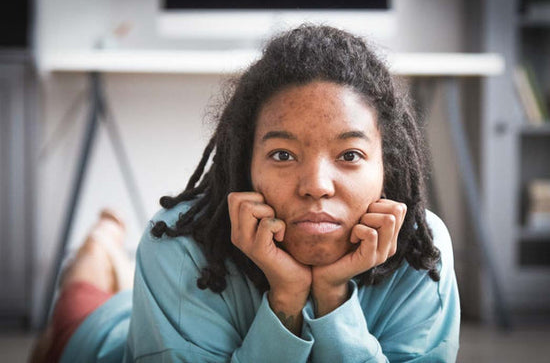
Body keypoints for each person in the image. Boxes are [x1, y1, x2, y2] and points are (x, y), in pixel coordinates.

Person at [30, 24, 460, 362]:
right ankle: (102, 241)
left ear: (389, 165)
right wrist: (287, 300)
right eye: (283, 154)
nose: (315, 185)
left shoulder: (422, 250)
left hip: (171, 314)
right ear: (244, 164)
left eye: (349, 154)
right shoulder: (176, 248)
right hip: (105, 338)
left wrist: (332, 297)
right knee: (77, 300)